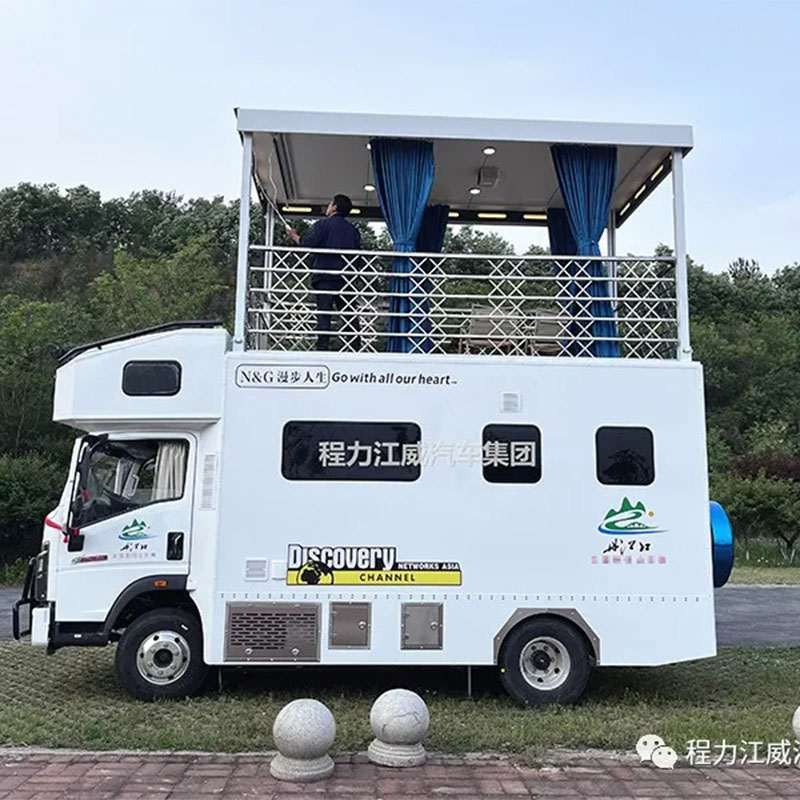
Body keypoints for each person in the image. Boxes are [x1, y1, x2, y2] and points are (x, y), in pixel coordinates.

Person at [288, 194, 361, 351]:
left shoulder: (323, 225)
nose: (328, 207)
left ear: (334, 207)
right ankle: (355, 346)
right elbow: (357, 255)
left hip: (325, 275)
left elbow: (307, 244)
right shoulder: (353, 230)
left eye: (330, 203)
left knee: (324, 313)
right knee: (349, 313)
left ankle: (323, 347)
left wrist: (295, 236)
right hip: (345, 277)